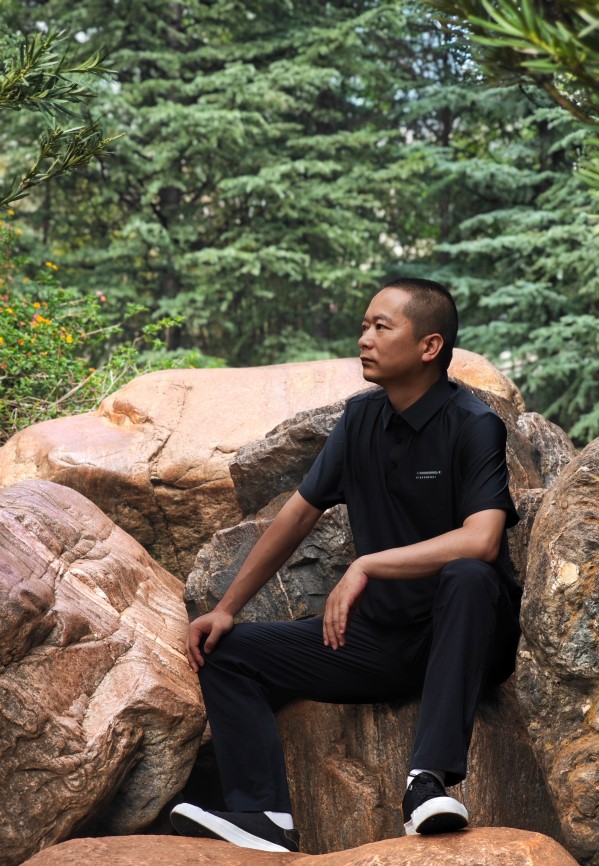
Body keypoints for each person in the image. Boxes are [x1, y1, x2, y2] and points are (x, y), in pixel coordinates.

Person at [170, 277, 521, 853]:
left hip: (468, 638)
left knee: (468, 574)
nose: (364, 338)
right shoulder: (359, 420)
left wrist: (367, 565)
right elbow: (296, 517)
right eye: (364, 325)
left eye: (381, 326)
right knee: (225, 652)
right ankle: (264, 817)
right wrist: (226, 609)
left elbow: (482, 540)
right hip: (382, 642)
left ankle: (427, 783)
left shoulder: (472, 423)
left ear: (429, 346)